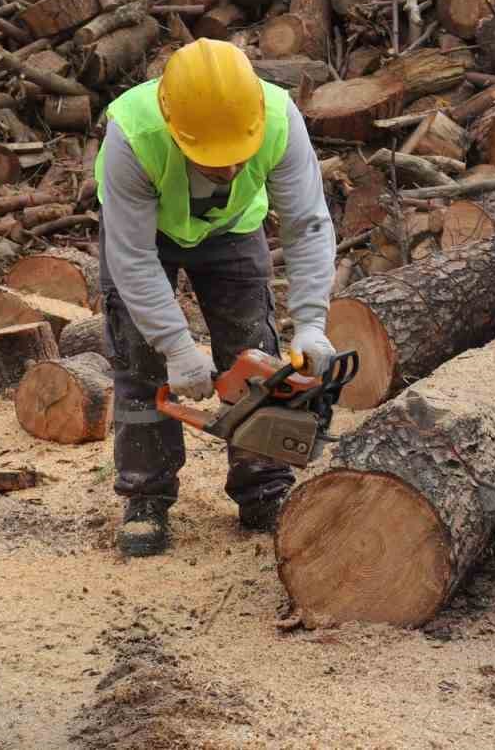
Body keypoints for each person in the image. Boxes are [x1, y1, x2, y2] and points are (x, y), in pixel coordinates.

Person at [95, 39, 337, 557]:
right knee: (140, 359)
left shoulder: (279, 120)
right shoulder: (133, 136)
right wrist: (177, 347)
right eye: (213, 158)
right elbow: (133, 257)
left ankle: (264, 489)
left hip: (233, 230)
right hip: (144, 237)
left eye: (236, 157)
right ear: (176, 128)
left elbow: (307, 223)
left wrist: (313, 321)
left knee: (256, 354)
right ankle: (145, 497)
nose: (228, 170)